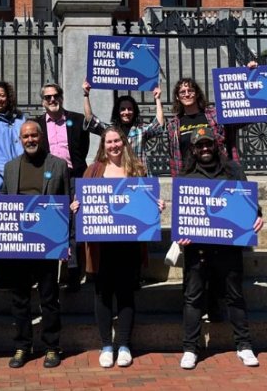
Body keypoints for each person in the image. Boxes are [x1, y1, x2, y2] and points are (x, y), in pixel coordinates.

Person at [70, 127, 162, 368]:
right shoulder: (93, 171)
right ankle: (106, 345)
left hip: (129, 244)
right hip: (101, 246)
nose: (113, 145)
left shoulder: (137, 169)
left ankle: (123, 344)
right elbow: (83, 201)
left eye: (117, 141)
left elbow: (148, 199)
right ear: (103, 145)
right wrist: (77, 206)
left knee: (125, 293)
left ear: (124, 142)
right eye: (109, 142)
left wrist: (157, 204)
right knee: (101, 294)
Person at [177, 128, 264, 370]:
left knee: (235, 296)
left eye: (209, 145)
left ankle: (244, 345)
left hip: (228, 247)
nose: (205, 149)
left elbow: (251, 205)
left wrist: (258, 217)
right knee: (193, 298)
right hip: (198, 250)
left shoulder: (233, 170)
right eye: (200, 146)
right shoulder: (186, 177)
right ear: (193, 150)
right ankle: (190, 348)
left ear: (216, 146)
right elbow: (182, 215)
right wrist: (181, 234)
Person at [0, 120, 71, 369]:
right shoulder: (10, 167)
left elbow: (66, 204)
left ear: (41, 137)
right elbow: (4, 197)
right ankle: (22, 346)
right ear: (20, 139)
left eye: (34, 135)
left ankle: (51, 347)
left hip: (48, 242)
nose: (30, 140)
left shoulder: (58, 165)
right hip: (19, 243)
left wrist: (66, 241)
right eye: (25, 136)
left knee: (49, 298)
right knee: (20, 299)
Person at [34, 82, 90, 290]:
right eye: (47, 97)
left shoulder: (76, 120)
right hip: (49, 179)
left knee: (75, 226)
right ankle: (48, 277)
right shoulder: (37, 124)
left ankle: (73, 274)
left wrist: (86, 95)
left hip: (74, 177)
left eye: (55, 95)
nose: (52, 100)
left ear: (61, 97)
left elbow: (82, 149)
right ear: (43, 101)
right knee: (51, 225)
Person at [82, 81, 165, 174]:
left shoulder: (141, 130)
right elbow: (90, 120)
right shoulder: (110, 131)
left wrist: (157, 99)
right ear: (117, 112)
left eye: (130, 109)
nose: (126, 112)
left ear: (134, 111)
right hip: (116, 176)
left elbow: (159, 124)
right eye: (123, 109)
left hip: (138, 177)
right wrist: (86, 95)